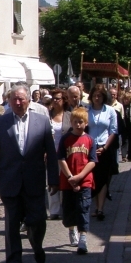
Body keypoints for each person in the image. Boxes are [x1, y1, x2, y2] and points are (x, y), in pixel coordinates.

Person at [0, 85, 59, 263]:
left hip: (35, 179)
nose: (17, 102)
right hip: (10, 179)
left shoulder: (42, 121)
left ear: (28, 100)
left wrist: (54, 178)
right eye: (14, 99)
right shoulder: (1, 123)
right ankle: (14, 262)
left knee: (38, 220)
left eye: (21, 99)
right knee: (12, 223)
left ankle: (36, 244)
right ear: (9, 101)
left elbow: (50, 152)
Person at [57, 108, 97, 254]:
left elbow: (92, 161)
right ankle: (71, 229)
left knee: (83, 208)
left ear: (86, 123)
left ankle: (83, 238)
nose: (78, 125)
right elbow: (61, 158)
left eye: (81, 122)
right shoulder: (66, 139)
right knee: (68, 210)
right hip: (67, 181)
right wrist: (70, 177)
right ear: (71, 122)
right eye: (75, 122)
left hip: (84, 180)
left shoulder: (90, 140)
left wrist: (80, 177)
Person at [87, 84, 118, 221]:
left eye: (99, 96)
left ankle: (100, 209)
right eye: (94, 96)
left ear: (104, 97)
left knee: (103, 178)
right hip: (90, 147)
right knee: (93, 178)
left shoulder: (110, 111)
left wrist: (105, 147)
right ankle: (95, 206)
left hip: (104, 148)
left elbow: (113, 131)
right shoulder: (87, 111)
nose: (97, 98)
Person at [48, 88, 72, 220]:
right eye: (54, 99)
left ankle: (65, 207)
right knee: (51, 180)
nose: (55, 101)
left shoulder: (69, 115)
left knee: (65, 179)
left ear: (64, 101)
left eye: (58, 98)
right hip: (51, 153)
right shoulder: (47, 115)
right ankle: (54, 210)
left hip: (65, 154)